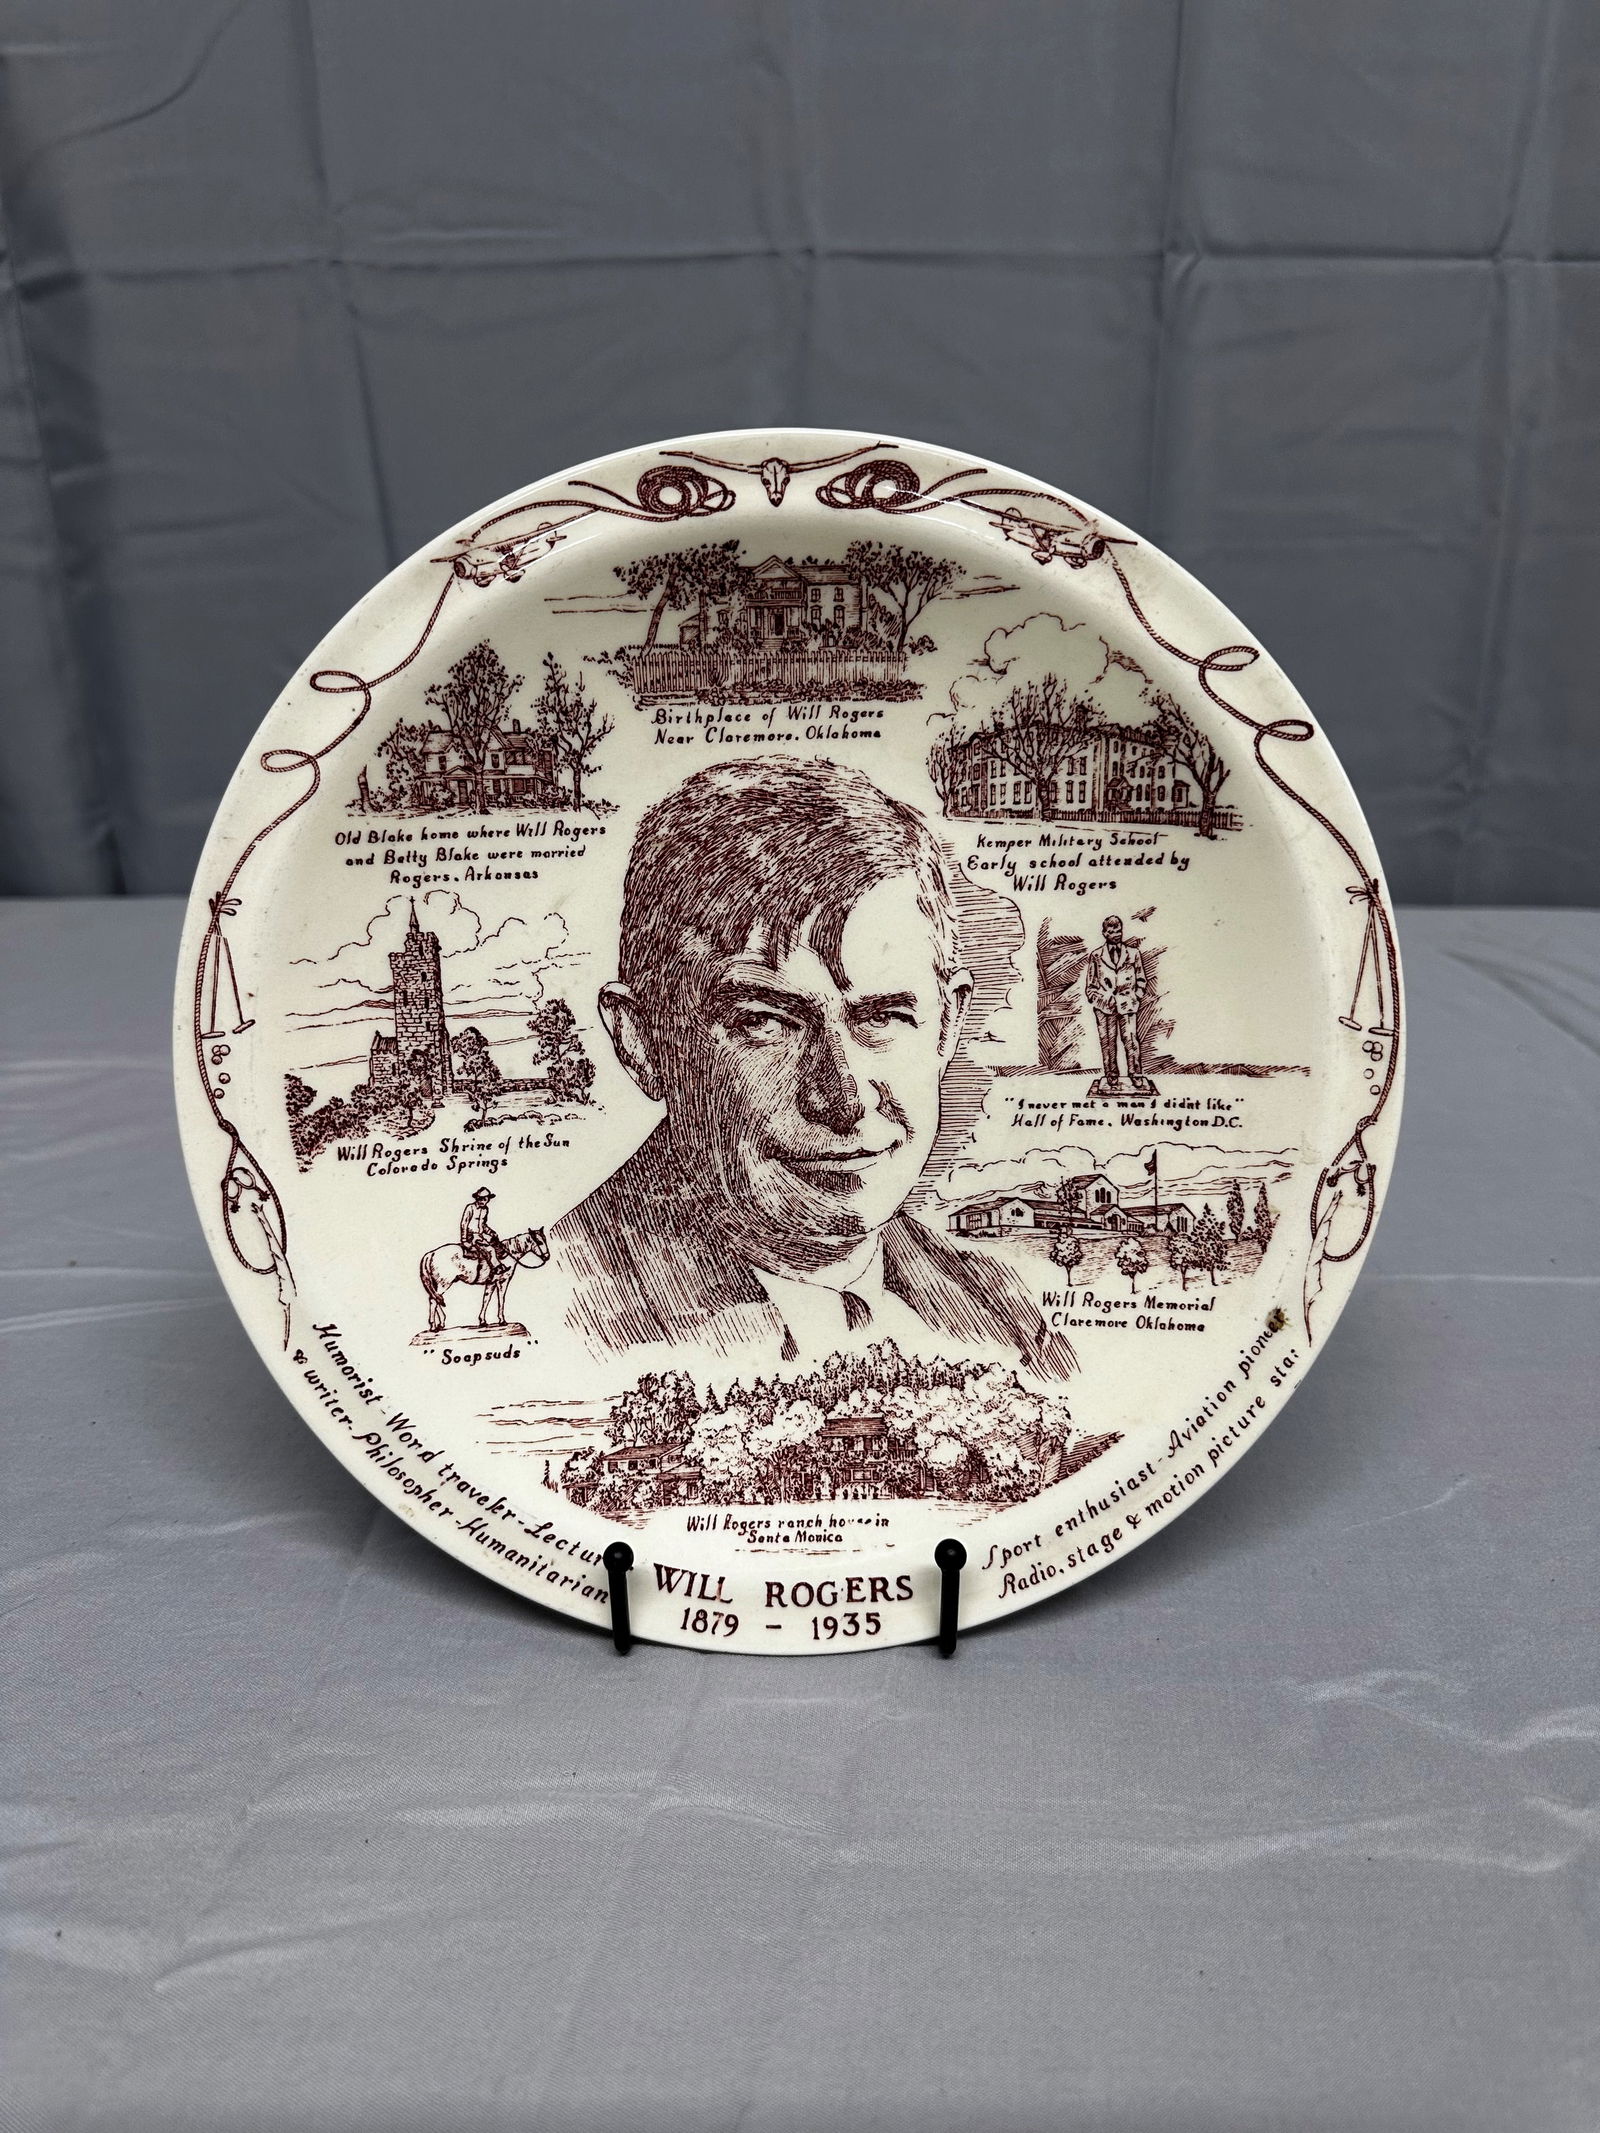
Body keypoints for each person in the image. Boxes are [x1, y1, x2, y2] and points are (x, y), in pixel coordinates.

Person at [547, 756, 1073, 1378]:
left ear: (948, 1025)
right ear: (642, 1043)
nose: (844, 1098)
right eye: (764, 1022)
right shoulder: (556, 1312)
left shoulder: (1004, 1312)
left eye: (883, 1017)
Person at [1084, 913, 1153, 1094]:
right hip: (1104, 1007)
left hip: (1127, 1005)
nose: (1116, 934)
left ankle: (1136, 1075)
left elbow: (1141, 980)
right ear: (1104, 933)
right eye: (1112, 931)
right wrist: (1102, 999)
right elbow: (1090, 987)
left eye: (1119, 930)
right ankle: (1111, 1076)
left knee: (1131, 1041)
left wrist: (1136, 996)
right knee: (1107, 1043)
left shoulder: (1133, 953)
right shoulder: (1096, 955)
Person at [459, 1187, 503, 1279]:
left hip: (480, 1235)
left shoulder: (485, 1209)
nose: (483, 1201)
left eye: (485, 1199)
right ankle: (496, 1270)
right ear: (477, 1198)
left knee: (496, 1246)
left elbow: (483, 1225)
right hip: (471, 1236)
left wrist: (491, 1232)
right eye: (481, 1199)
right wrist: (464, 1240)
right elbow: (464, 1224)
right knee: (490, 1249)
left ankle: (487, 1271)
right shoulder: (470, 1208)